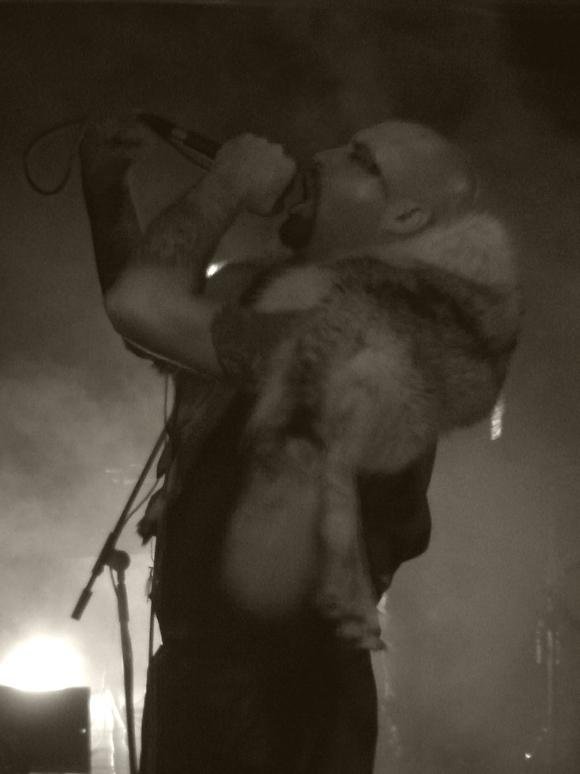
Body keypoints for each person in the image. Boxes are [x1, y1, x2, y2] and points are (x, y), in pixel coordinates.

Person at [78, 116, 480, 773]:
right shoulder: (260, 287)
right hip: (199, 676)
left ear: (406, 216)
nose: (321, 155)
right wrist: (107, 192)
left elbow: (144, 307)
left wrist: (225, 186)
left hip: (286, 697)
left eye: (359, 160)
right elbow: (150, 325)